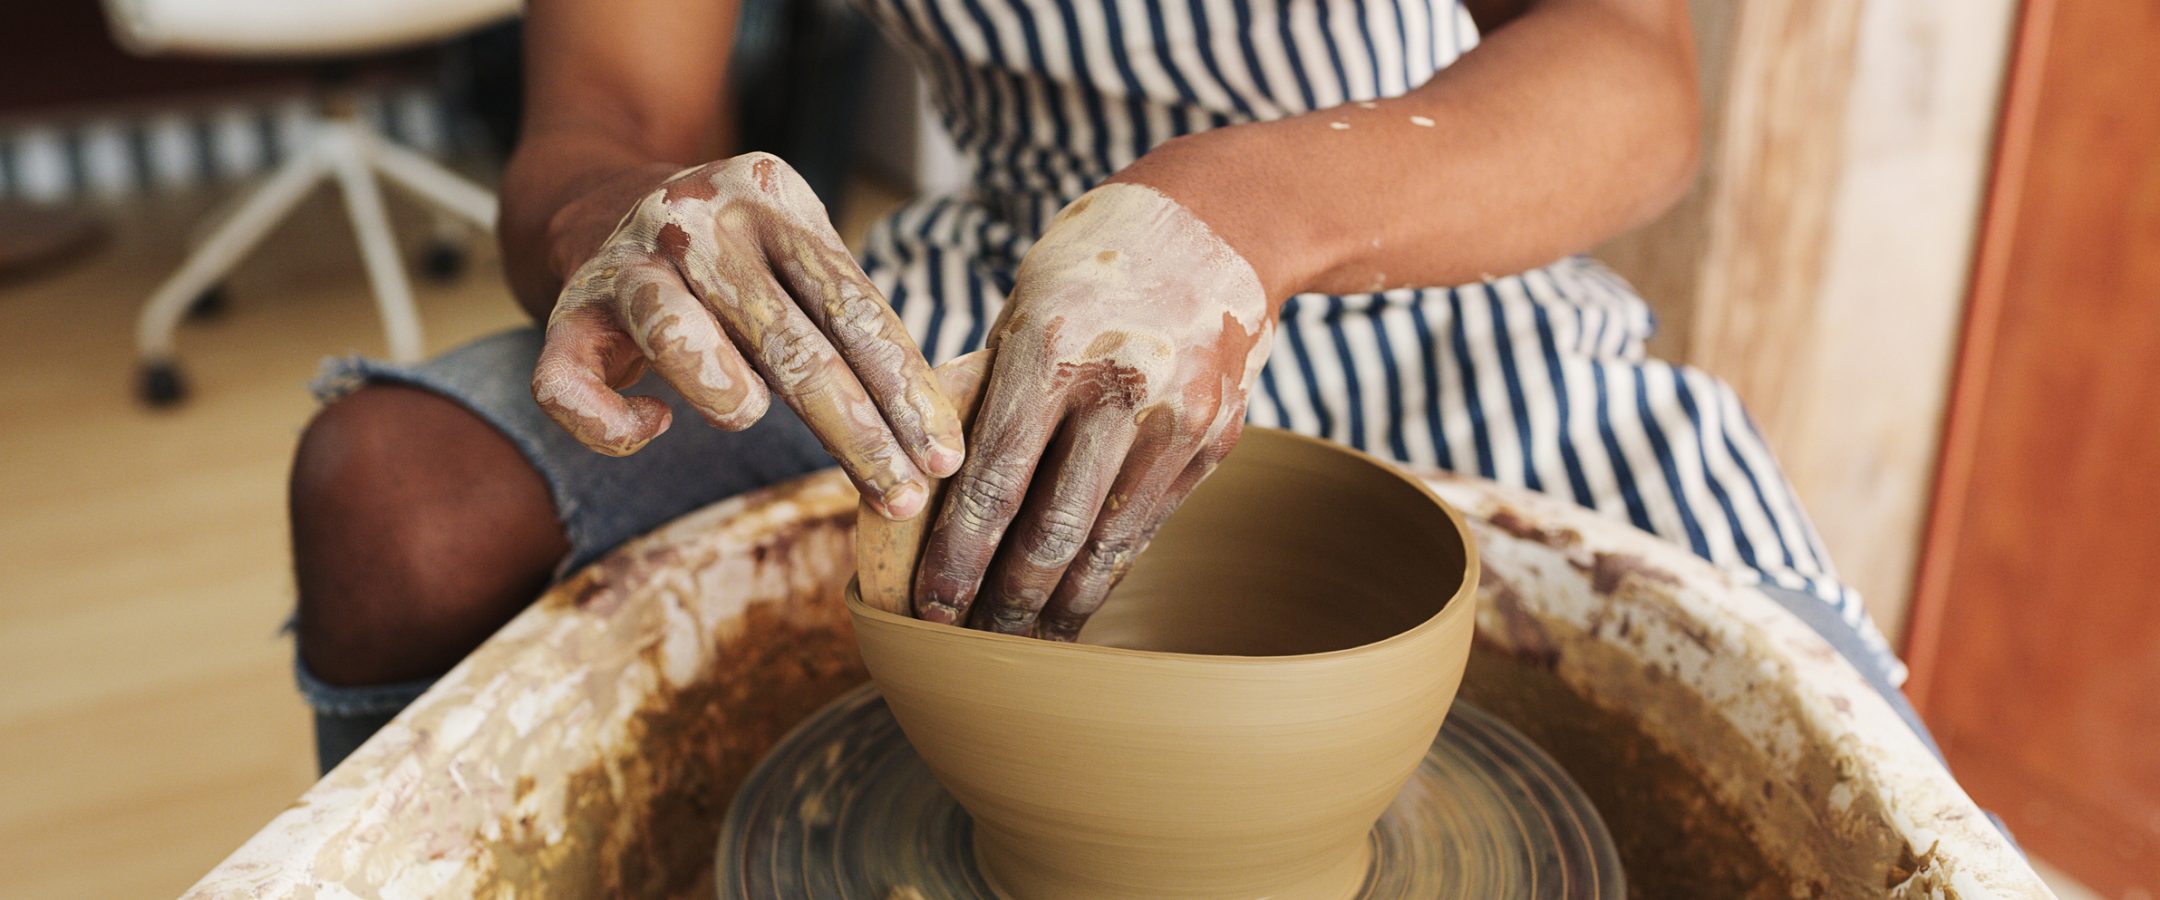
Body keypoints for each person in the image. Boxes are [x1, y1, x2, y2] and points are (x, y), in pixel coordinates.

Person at [289, 0, 1920, 773]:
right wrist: (610, 219)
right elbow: (604, 105)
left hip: (1412, 240)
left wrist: (1246, 216)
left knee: (1825, 760)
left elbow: (1632, 68)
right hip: (997, 272)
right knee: (394, 492)